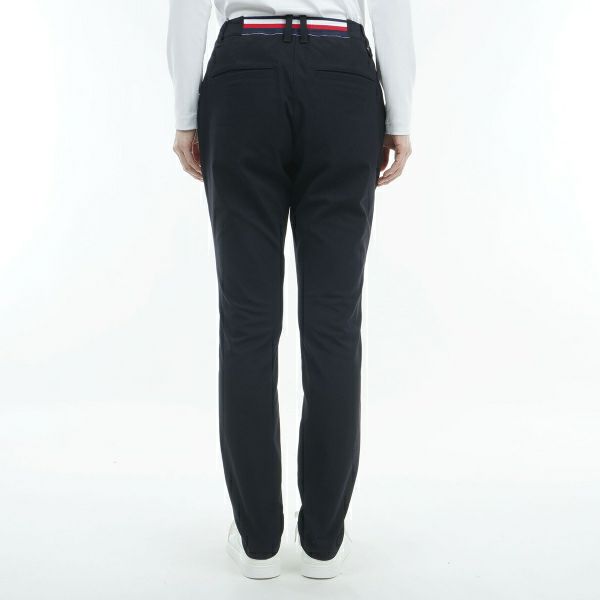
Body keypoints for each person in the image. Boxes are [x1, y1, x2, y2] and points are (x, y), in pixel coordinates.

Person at [167, 0, 415, 580]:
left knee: (247, 323)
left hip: (243, 76)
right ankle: (323, 542)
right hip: (343, 78)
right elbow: (391, 9)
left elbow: (188, 9)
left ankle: (258, 541)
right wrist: (399, 116)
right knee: (334, 323)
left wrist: (185, 113)